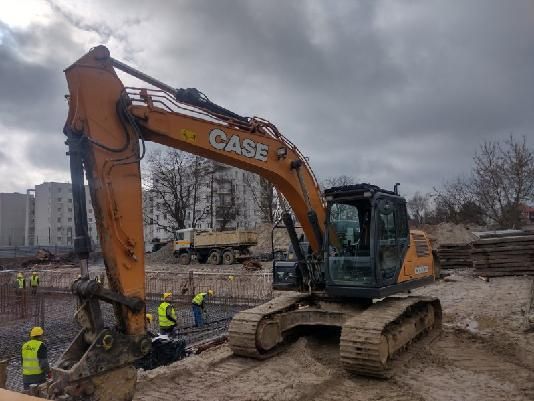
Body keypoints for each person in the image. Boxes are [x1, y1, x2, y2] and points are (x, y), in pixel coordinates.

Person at [21, 326, 50, 390]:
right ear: (40, 335)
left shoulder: (25, 345)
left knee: (27, 397)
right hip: (38, 378)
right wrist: (48, 372)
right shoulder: (41, 345)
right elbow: (44, 363)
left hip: (26, 378)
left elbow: (22, 362)